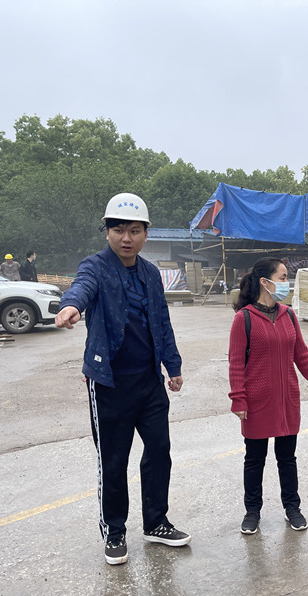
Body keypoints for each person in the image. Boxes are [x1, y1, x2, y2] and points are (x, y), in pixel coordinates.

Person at [55, 192, 190, 565]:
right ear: (107, 231)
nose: (126, 238)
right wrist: (71, 306)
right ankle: (114, 531)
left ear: (145, 233)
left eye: (134, 230)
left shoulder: (150, 273)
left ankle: (156, 522)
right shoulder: (95, 267)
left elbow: (161, 321)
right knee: (114, 461)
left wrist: (173, 365)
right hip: (109, 383)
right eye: (118, 230)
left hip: (148, 381)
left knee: (159, 452)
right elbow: (81, 288)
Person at [228, 257, 308, 535]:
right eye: (282, 277)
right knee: (254, 460)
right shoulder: (244, 319)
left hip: (287, 401)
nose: (286, 283)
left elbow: (301, 353)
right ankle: (252, 511)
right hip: (256, 402)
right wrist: (238, 398)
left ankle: (292, 507)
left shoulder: (288, 315)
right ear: (264, 282)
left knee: (287, 458)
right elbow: (236, 363)